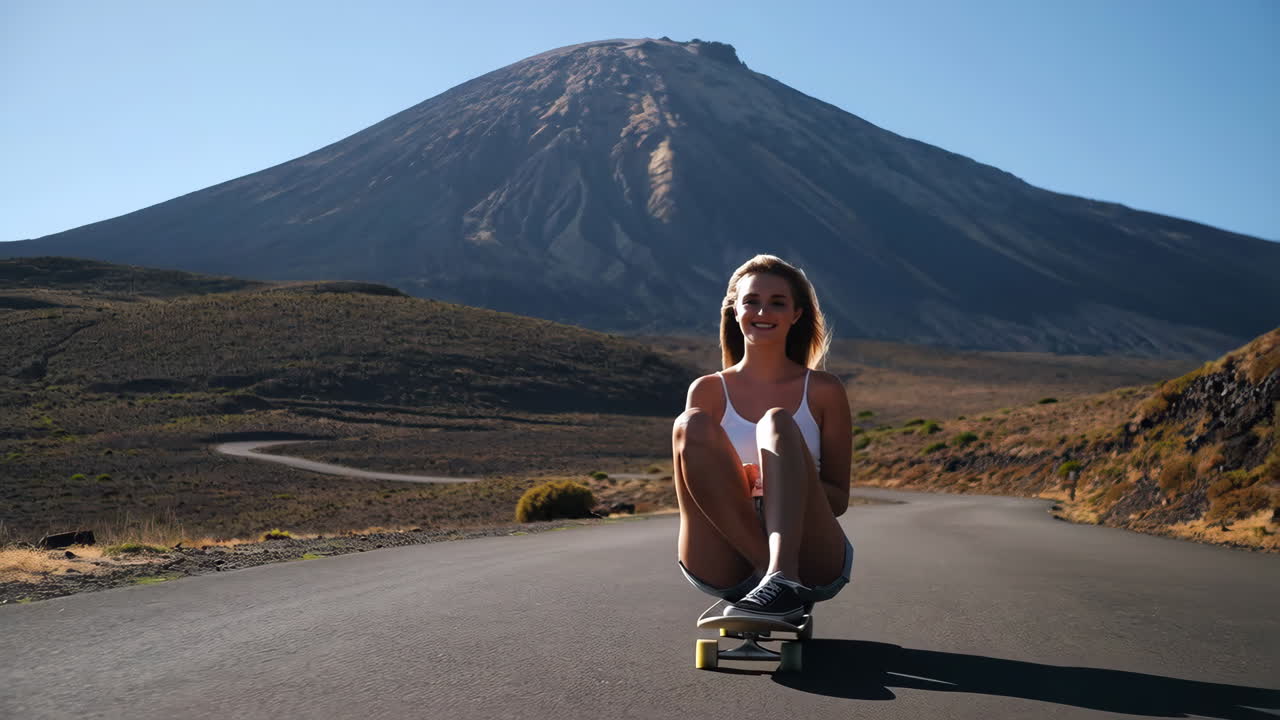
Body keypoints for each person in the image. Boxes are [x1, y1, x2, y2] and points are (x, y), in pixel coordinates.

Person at [672, 254, 853, 622]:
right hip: (724, 553)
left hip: (809, 552)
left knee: (776, 423)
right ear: (735, 310)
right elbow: (693, 490)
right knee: (690, 424)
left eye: (777, 303)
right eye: (752, 301)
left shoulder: (823, 390)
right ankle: (771, 578)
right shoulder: (707, 390)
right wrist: (739, 485)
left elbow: (838, 500)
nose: (762, 311)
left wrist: (778, 482)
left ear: (796, 314)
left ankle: (781, 575)